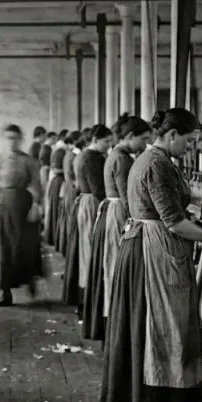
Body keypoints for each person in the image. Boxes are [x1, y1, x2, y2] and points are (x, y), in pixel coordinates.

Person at [100, 108, 202, 402]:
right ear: (171, 135)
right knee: (161, 329)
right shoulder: (156, 164)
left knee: (156, 330)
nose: (189, 148)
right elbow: (173, 221)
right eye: (188, 141)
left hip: (148, 245)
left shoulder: (154, 161)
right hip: (153, 251)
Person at [83, 115, 152, 342]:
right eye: (143, 139)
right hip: (118, 215)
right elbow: (127, 199)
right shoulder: (122, 159)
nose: (145, 144)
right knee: (114, 267)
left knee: (111, 266)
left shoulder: (116, 154)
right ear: (130, 137)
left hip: (112, 212)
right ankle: (116, 325)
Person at [0, 125, 44, 307]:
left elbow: (37, 185)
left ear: (21, 139)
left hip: (23, 207)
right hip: (0, 208)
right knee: (2, 248)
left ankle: (29, 279)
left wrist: (36, 206)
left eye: (15, 138)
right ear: (3, 139)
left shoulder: (29, 161)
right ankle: (5, 291)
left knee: (24, 246)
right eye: (8, 138)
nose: (12, 142)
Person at [63, 125, 113, 308]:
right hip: (92, 203)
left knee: (86, 249)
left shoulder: (85, 155)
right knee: (90, 250)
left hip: (85, 201)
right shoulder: (92, 158)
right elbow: (98, 189)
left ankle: (86, 297)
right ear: (95, 140)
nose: (109, 146)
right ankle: (88, 299)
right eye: (106, 142)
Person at [43, 135, 67, 247]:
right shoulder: (60, 153)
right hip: (59, 183)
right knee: (56, 211)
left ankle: (52, 236)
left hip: (55, 182)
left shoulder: (57, 152)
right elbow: (57, 169)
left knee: (54, 210)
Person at [55, 136, 78, 253]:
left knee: (67, 216)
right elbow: (71, 174)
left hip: (67, 186)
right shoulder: (72, 156)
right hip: (71, 187)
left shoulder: (67, 155)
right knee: (70, 218)